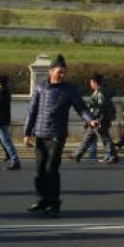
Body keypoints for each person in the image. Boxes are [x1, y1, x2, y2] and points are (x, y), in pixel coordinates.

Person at [23, 54, 98, 217]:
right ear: (51, 71)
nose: (62, 75)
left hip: (57, 134)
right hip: (41, 134)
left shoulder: (68, 90)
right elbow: (32, 111)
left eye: (65, 72)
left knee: (52, 169)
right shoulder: (40, 87)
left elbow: (81, 108)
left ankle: (54, 204)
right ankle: (43, 200)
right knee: (40, 170)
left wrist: (91, 120)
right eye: (60, 72)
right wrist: (27, 133)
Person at [72, 74, 118, 164]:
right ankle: (77, 154)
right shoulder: (100, 92)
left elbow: (101, 106)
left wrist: (96, 118)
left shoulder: (100, 93)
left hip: (99, 120)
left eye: (91, 82)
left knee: (104, 138)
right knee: (90, 137)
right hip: (98, 120)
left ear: (95, 82)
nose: (90, 84)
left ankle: (112, 155)